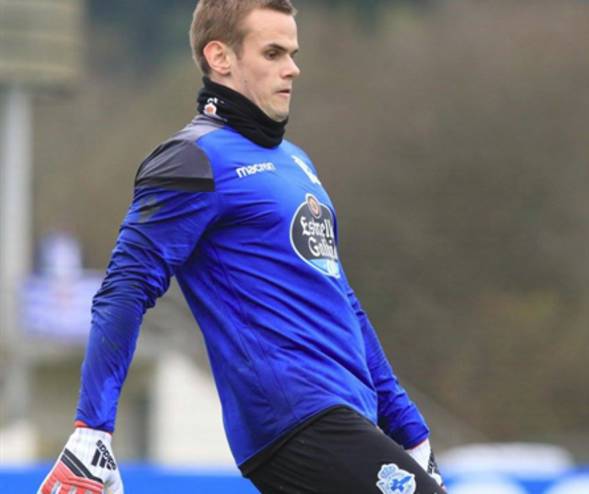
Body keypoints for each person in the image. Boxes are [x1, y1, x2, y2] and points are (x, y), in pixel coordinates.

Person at [38, 1, 445, 493]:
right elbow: (124, 288)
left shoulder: (297, 162)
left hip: (345, 415)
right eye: (272, 53)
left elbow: (343, 300)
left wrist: (410, 430)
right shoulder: (190, 159)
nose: (292, 68)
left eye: (292, 53)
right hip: (296, 422)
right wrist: (92, 427)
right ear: (220, 57)